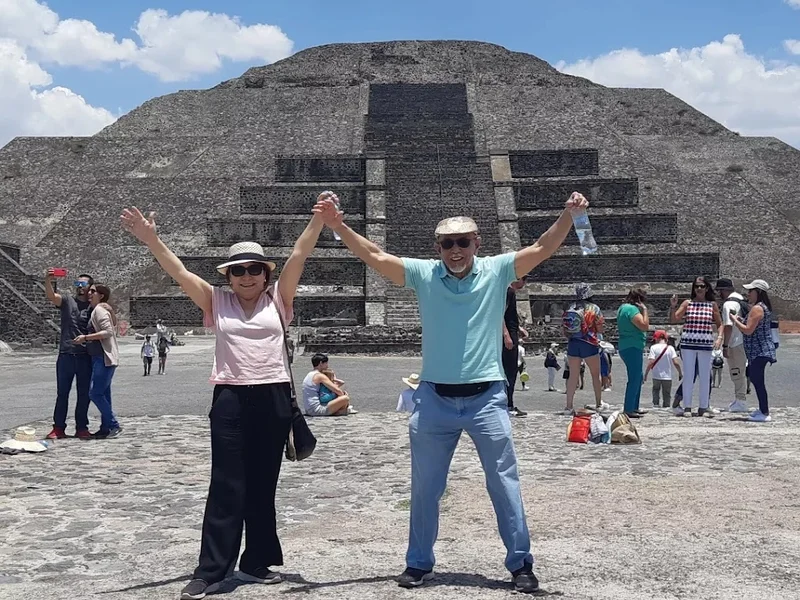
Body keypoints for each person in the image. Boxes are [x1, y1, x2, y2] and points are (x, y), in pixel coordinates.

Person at [313, 191, 590, 593]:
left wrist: (568, 214)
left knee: (503, 481)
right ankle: (419, 561)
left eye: (463, 242)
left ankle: (520, 562)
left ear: (478, 243)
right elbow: (375, 256)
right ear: (438, 247)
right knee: (425, 487)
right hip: (434, 400)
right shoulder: (425, 274)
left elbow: (543, 247)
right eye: (448, 243)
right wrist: (337, 225)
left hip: (486, 398)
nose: (455, 250)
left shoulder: (497, 271)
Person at [121, 195, 324, 600]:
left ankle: (256, 562)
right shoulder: (216, 301)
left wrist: (319, 219)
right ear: (228, 277)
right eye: (238, 271)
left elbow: (300, 254)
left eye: (254, 269)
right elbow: (178, 271)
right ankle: (211, 570)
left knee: (264, 485)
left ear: (266, 274)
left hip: (272, 399)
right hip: (230, 398)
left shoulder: (278, 301)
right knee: (227, 485)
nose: (246, 277)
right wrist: (151, 240)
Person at [43, 269, 94, 440]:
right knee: (62, 393)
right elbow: (51, 297)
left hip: (85, 356)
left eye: (83, 284)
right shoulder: (67, 300)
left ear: (90, 287)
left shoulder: (94, 306)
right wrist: (48, 281)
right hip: (66, 354)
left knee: (84, 394)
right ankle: (58, 428)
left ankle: (81, 427)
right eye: (77, 283)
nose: (79, 287)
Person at [669, 276, 722, 417]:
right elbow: (674, 319)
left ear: (706, 288)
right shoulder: (687, 303)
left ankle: (703, 407)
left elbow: (720, 324)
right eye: (697, 286)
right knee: (689, 375)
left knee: (705, 376)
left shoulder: (712, 305)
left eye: (702, 286)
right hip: (688, 344)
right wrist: (673, 306)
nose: (699, 289)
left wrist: (720, 338)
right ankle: (687, 406)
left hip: (705, 344)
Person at [73, 284, 121, 438]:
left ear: (101, 295)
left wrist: (86, 338)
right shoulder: (98, 310)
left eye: (93, 291)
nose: (89, 293)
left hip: (103, 357)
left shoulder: (99, 310)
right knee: (104, 394)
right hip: (98, 357)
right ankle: (106, 428)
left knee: (95, 393)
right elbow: (114, 325)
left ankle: (114, 424)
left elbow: (108, 331)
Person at [730, 279, 777, 422]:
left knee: (757, 381)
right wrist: (740, 318)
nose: (748, 293)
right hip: (759, 351)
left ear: (758, 292)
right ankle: (763, 409)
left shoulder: (757, 308)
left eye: (751, 291)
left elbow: (748, 330)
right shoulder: (759, 307)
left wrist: (735, 320)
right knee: (757, 380)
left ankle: (764, 412)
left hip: (760, 350)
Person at [561, 283, 607, 415]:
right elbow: (600, 328)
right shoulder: (594, 309)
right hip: (589, 343)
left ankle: (569, 406)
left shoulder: (571, 307)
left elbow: (564, 328)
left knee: (573, 376)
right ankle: (598, 403)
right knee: (594, 375)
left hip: (573, 344)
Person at [715, 278, 749, 412]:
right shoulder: (740, 299)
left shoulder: (728, 305)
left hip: (735, 342)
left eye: (719, 291)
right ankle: (739, 399)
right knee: (740, 371)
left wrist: (725, 345)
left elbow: (728, 326)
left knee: (736, 371)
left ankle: (740, 401)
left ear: (723, 291)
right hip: (743, 340)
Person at [616, 288, 650, 417]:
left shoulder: (622, 308)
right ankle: (629, 408)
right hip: (632, 346)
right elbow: (644, 326)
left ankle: (634, 406)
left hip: (626, 345)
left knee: (638, 376)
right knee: (635, 378)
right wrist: (645, 310)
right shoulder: (631, 310)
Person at [503, 278, 529, 417]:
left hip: (511, 333)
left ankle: (508, 403)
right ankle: (508, 405)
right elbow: (498, 314)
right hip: (508, 337)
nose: (524, 283)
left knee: (510, 371)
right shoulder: (508, 292)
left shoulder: (507, 291)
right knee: (510, 371)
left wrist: (519, 328)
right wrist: (506, 335)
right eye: (524, 279)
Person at [643, 330, 682, 408]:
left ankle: (656, 405)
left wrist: (646, 374)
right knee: (667, 394)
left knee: (655, 391)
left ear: (656, 338)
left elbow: (651, 362)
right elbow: (676, 362)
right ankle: (666, 407)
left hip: (656, 375)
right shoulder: (670, 348)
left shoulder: (653, 348)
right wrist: (680, 373)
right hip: (667, 376)